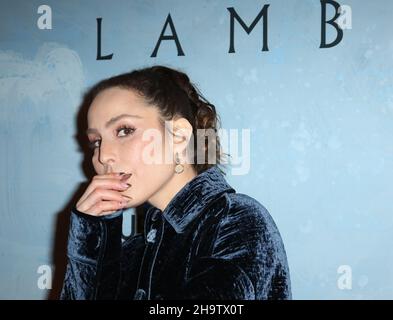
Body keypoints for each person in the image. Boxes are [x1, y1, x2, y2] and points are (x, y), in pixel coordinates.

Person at [60, 65, 291, 300]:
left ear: (179, 136)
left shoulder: (235, 222)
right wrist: (90, 246)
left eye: (124, 130)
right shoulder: (131, 253)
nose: (103, 155)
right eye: (96, 141)